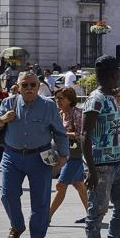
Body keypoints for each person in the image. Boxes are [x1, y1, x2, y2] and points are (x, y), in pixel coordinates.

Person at [0, 71, 69, 238]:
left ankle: (37, 236)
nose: (29, 88)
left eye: (33, 85)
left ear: (39, 87)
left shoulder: (48, 106)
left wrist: (63, 156)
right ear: (18, 87)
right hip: (12, 156)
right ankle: (17, 226)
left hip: (40, 157)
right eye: (25, 85)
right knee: (7, 195)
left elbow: (60, 133)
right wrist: (2, 119)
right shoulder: (9, 103)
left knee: (40, 199)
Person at [82, 57, 120, 238]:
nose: (119, 77)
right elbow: (84, 135)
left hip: (116, 162)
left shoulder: (111, 98)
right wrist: (91, 170)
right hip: (100, 165)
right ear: (111, 74)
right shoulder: (95, 100)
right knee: (97, 211)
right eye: (118, 73)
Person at [49, 87, 88, 220]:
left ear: (70, 100)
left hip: (73, 155)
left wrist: (62, 134)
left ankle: (47, 216)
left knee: (61, 185)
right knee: (79, 185)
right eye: (57, 98)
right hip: (62, 154)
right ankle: (92, 214)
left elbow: (81, 134)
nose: (58, 101)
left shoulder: (76, 113)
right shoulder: (60, 114)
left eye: (61, 98)